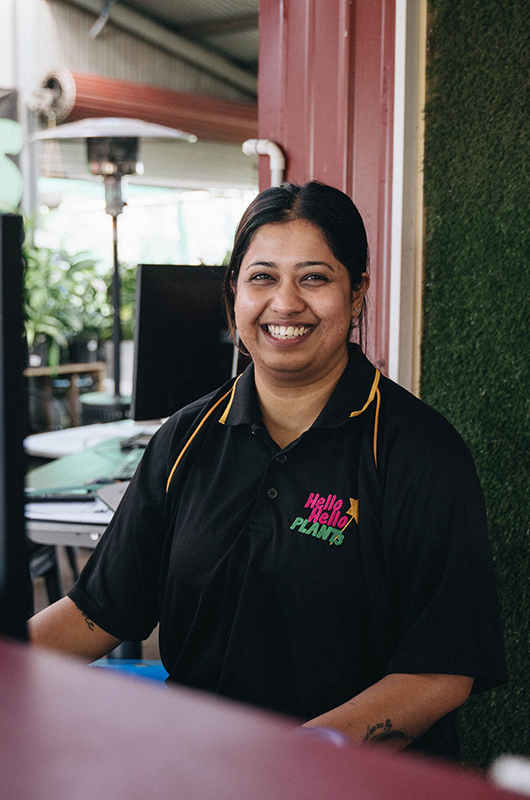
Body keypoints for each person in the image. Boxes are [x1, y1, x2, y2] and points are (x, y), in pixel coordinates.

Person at [29, 181, 507, 759]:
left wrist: (288, 762)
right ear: (234, 292)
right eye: (262, 277)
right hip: (200, 766)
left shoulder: (419, 452)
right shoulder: (184, 438)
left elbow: (441, 671)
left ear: (357, 293)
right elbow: (96, 613)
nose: (285, 303)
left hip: (352, 783)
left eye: (314, 278)